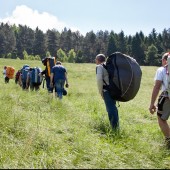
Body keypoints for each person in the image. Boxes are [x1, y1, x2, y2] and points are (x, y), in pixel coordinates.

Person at [149, 52, 170, 148]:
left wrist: (152, 104)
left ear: (165, 60)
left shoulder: (161, 70)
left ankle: (169, 141)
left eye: (162, 60)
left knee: (161, 118)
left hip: (166, 97)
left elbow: (157, 87)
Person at [95, 54, 119, 130]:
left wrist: (100, 92)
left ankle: (114, 128)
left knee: (110, 109)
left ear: (98, 60)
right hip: (114, 90)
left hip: (106, 91)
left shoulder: (99, 67)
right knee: (113, 108)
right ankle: (116, 126)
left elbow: (99, 80)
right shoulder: (110, 65)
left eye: (96, 60)